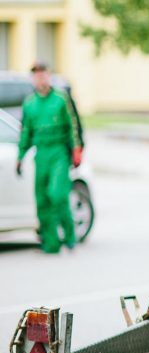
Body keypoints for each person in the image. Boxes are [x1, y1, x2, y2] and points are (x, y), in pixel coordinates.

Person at [15, 62, 83, 254]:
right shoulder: (29, 103)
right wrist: (20, 156)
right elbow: (25, 132)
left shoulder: (60, 99)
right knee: (42, 199)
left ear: (49, 76)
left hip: (59, 151)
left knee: (58, 194)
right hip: (41, 152)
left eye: (43, 75)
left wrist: (76, 149)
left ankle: (69, 233)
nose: (40, 79)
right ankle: (51, 242)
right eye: (36, 76)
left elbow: (73, 126)